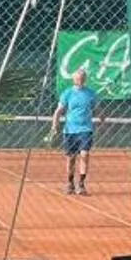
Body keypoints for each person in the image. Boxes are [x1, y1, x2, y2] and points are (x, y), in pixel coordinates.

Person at [51, 64, 98, 196]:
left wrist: (102, 118)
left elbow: (97, 108)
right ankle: (70, 183)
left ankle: (81, 184)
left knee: (84, 154)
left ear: (85, 79)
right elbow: (59, 111)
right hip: (70, 130)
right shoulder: (67, 93)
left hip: (86, 129)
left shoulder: (91, 94)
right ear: (74, 79)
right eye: (78, 78)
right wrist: (54, 126)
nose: (80, 80)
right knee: (71, 158)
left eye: (82, 78)